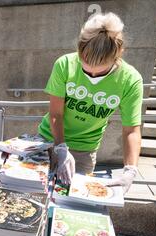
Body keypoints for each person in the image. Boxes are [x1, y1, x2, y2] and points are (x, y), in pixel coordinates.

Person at [38, 12, 143, 193]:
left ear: (118, 55)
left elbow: (131, 130)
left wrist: (130, 170)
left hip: (84, 150)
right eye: (86, 69)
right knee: (35, 195)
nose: (93, 77)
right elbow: (56, 113)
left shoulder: (130, 80)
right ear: (79, 50)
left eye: (101, 72)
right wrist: (61, 147)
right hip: (48, 140)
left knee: (74, 202)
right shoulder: (65, 64)